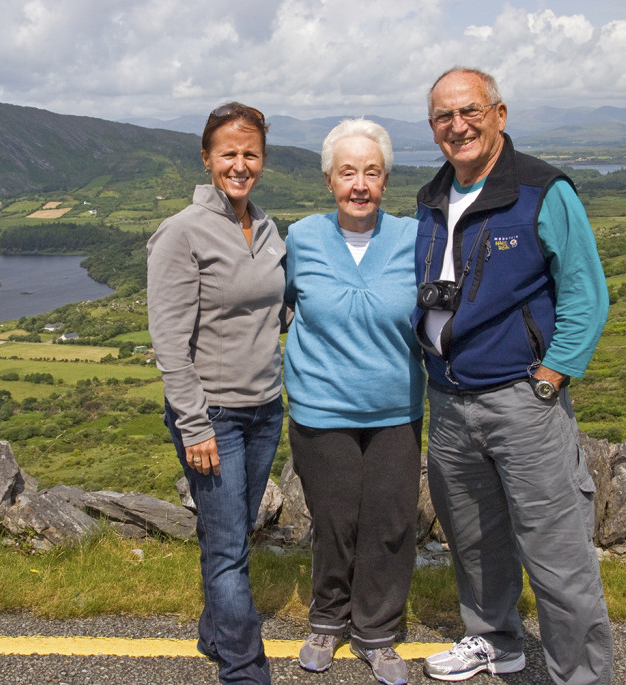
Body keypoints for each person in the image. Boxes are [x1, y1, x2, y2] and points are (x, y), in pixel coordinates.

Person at [412, 68, 613, 684]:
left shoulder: (541, 190)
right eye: (444, 117)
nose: (458, 125)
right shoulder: (432, 196)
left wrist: (551, 377)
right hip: (449, 400)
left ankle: (579, 675)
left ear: (499, 114)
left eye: (470, 111)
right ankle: (495, 642)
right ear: (433, 128)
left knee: (558, 556)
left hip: (523, 399)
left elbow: (586, 292)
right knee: (473, 543)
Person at [146, 102, 285, 685]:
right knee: (229, 546)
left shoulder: (270, 226)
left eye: (250, 153)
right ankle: (243, 667)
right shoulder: (182, 232)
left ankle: (214, 630)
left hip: (266, 408)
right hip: (215, 415)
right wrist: (195, 424)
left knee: (229, 530)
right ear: (206, 159)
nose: (239, 163)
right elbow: (169, 344)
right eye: (228, 152)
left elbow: (280, 312)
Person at [284, 118, 425, 685]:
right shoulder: (300, 238)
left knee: (391, 524)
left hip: (396, 410)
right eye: (348, 172)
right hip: (321, 410)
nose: (359, 184)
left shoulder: (416, 238)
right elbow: (277, 304)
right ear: (328, 180)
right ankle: (327, 618)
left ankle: (378, 632)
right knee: (334, 521)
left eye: (371, 172)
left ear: (386, 180)